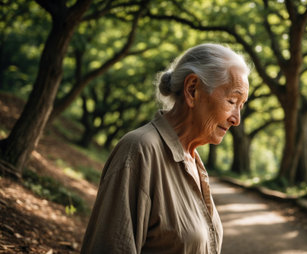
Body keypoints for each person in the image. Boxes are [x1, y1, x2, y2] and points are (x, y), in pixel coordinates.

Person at [80, 43, 250, 254]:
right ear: (192, 89)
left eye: (241, 105)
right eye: (232, 100)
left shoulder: (193, 160)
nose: (236, 120)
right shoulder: (140, 151)